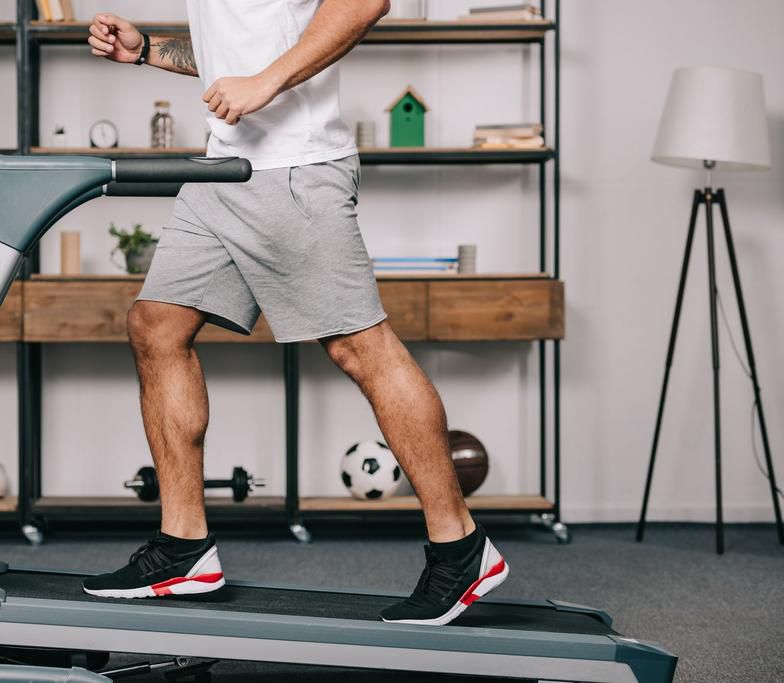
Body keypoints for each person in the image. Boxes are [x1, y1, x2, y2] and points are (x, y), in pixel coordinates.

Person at [82, 0, 508, 625]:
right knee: (156, 323)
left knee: (360, 349)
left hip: (295, 172)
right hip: (222, 170)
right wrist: (148, 49)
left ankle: (460, 547)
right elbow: (240, 47)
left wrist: (266, 83)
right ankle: (183, 549)